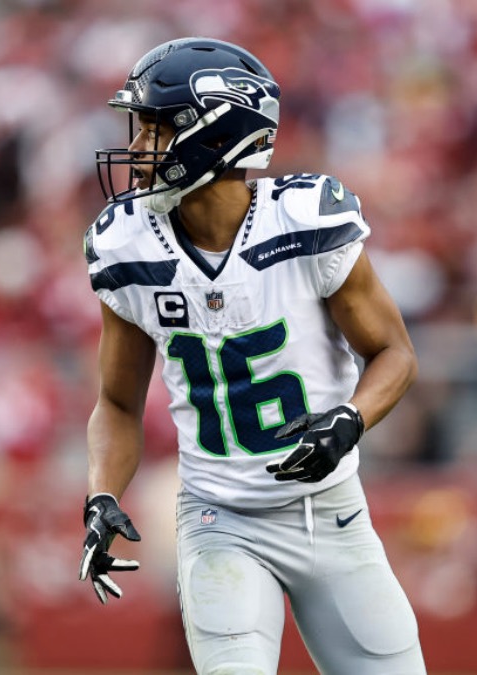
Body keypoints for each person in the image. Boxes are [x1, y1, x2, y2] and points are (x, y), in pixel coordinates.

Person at [78, 37, 426, 674]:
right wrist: (100, 496)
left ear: (214, 136)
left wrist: (348, 420)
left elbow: (394, 355)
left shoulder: (305, 223)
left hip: (331, 515)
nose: (136, 147)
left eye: (155, 129)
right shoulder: (127, 246)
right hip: (220, 519)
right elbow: (117, 403)